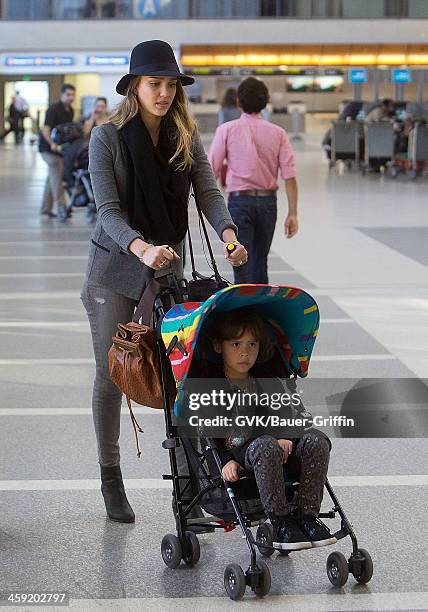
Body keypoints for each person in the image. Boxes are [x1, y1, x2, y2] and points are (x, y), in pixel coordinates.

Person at [80, 40, 247, 526]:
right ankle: (111, 475)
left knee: (182, 373)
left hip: (167, 264)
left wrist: (229, 235)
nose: (164, 94)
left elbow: (208, 191)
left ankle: (193, 487)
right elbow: (107, 211)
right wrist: (142, 248)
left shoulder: (184, 135)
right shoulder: (107, 137)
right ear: (134, 85)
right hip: (114, 267)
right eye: (155, 84)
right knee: (112, 374)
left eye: (171, 85)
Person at [207, 308, 336, 550]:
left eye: (252, 345)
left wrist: (285, 433)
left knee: (317, 440)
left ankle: (307, 516)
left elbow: (285, 410)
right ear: (218, 346)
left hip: (275, 444)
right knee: (265, 444)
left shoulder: (264, 379)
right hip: (241, 452)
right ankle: (280, 521)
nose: (245, 352)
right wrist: (225, 460)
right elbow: (208, 431)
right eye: (236, 344)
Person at [208, 77, 298, 285]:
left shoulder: (227, 130)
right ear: (266, 101)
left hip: (239, 202)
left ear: (238, 101)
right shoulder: (279, 133)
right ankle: (259, 313)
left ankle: (244, 313)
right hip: (268, 204)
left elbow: (211, 169)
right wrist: (292, 213)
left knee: (240, 262)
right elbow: (289, 176)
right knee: (260, 262)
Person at [38, 83, 76, 220]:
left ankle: (45, 209)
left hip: (59, 149)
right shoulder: (54, 109)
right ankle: (62, 207)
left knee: (52, 178)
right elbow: (45, 129)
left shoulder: (70, 110)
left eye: (72, 95)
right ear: (62, 95)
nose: (71, 97)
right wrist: (52, 143)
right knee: (57, 176)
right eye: (68, 95)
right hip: (47, 148)